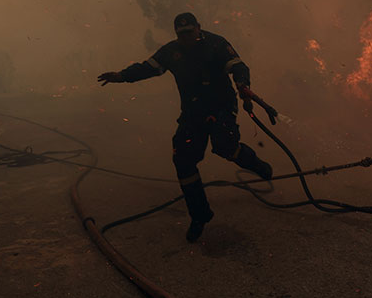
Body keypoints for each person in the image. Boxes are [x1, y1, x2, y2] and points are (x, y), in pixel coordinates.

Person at [98, 12, 273, 243]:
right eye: (182, 34)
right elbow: (147, 68)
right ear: (177, 35)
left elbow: (239, 66)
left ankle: (258, 165)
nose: (187, 37)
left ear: (198, 28)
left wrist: (243, 85)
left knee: (225, 147)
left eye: (190, 32)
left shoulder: (217, 43)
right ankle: (200, 215)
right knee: (182, 160)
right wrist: (122, 76)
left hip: (221, 106)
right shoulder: (171, 51)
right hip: (193, 113)